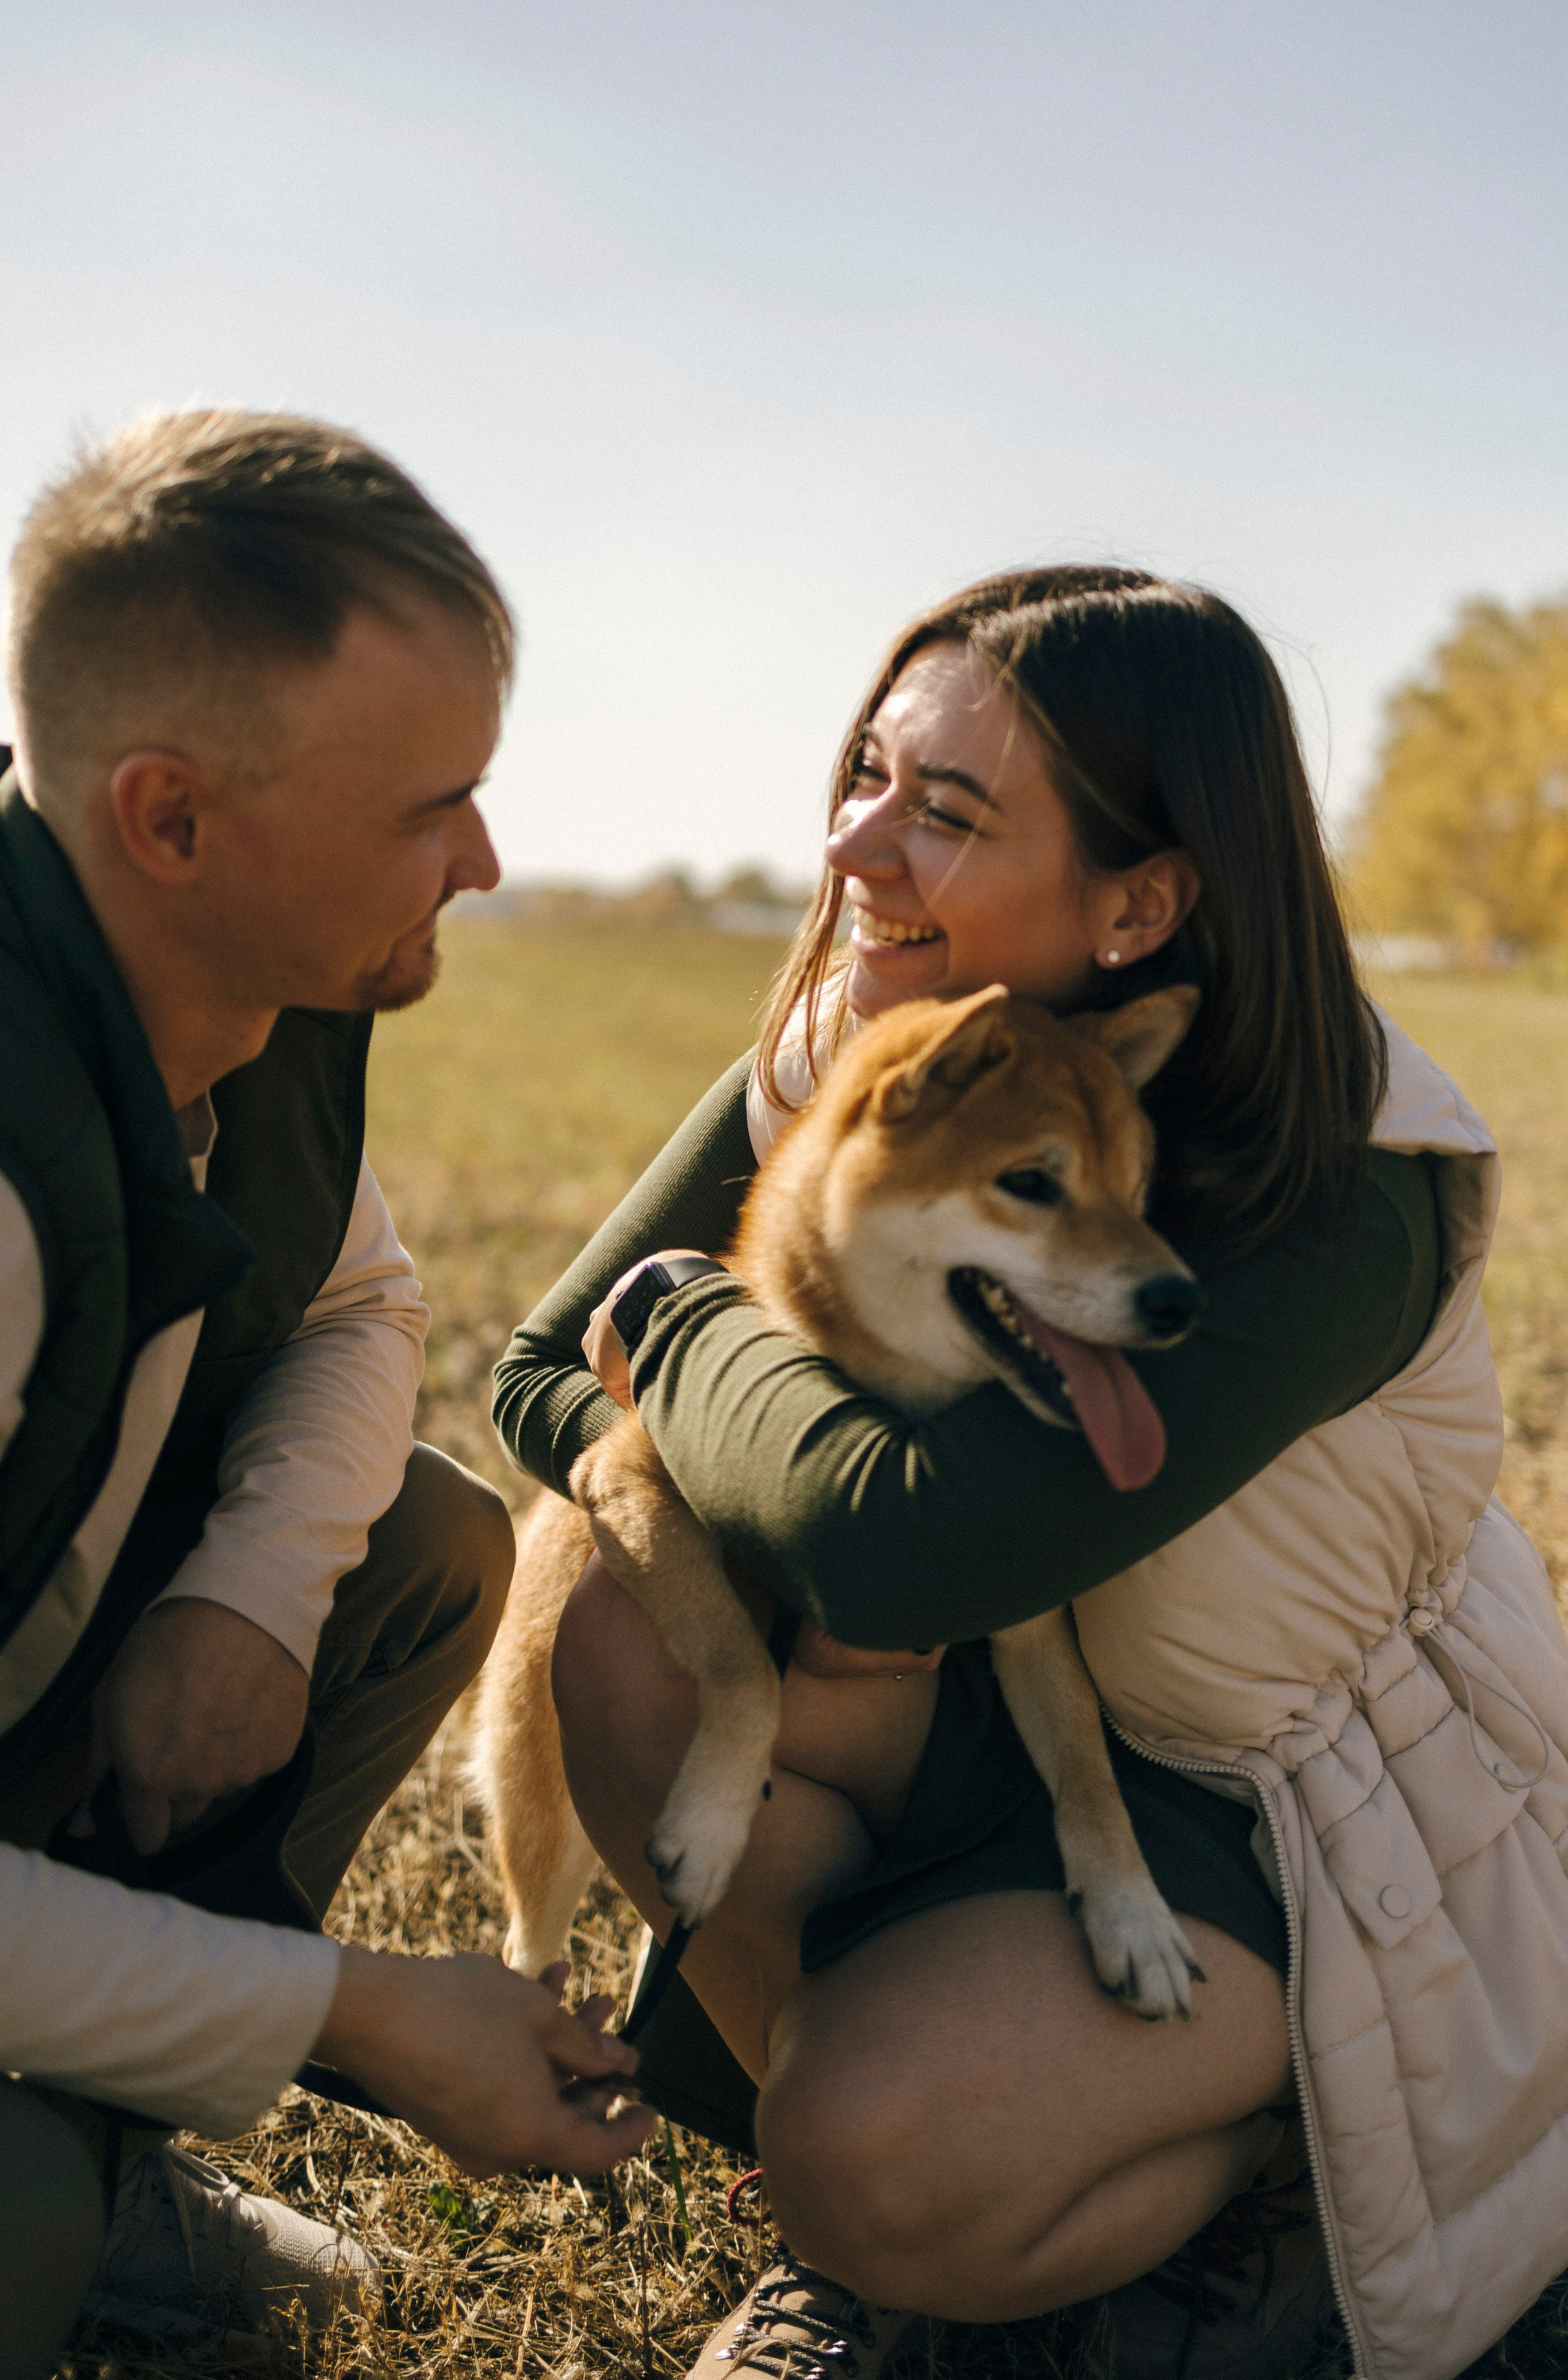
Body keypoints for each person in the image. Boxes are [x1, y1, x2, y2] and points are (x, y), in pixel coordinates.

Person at [496, 568, 1568, 2380]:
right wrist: (664, 1357)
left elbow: (912, 1551)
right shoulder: (873, 1054)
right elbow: (536, 1373)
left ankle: (1278, 2179)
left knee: (877, 2148)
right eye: (865, 775)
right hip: (1010, 1714)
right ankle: (886, 2244)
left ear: (1141, 903)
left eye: (945, 809)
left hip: (1292, 1810)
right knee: (619, 1619)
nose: (853, 846)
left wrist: (676, 1324)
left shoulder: (1340, 1187)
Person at [0, 410, 652, 2380]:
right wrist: (349, 2012)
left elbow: (360, 1297)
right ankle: (55, 2183)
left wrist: (249, 1590)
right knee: (8, 2235)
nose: (485, 864)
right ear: (173, 821)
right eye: (432, 808)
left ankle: (96, 2142)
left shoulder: (224, 988)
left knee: (418, 1540)